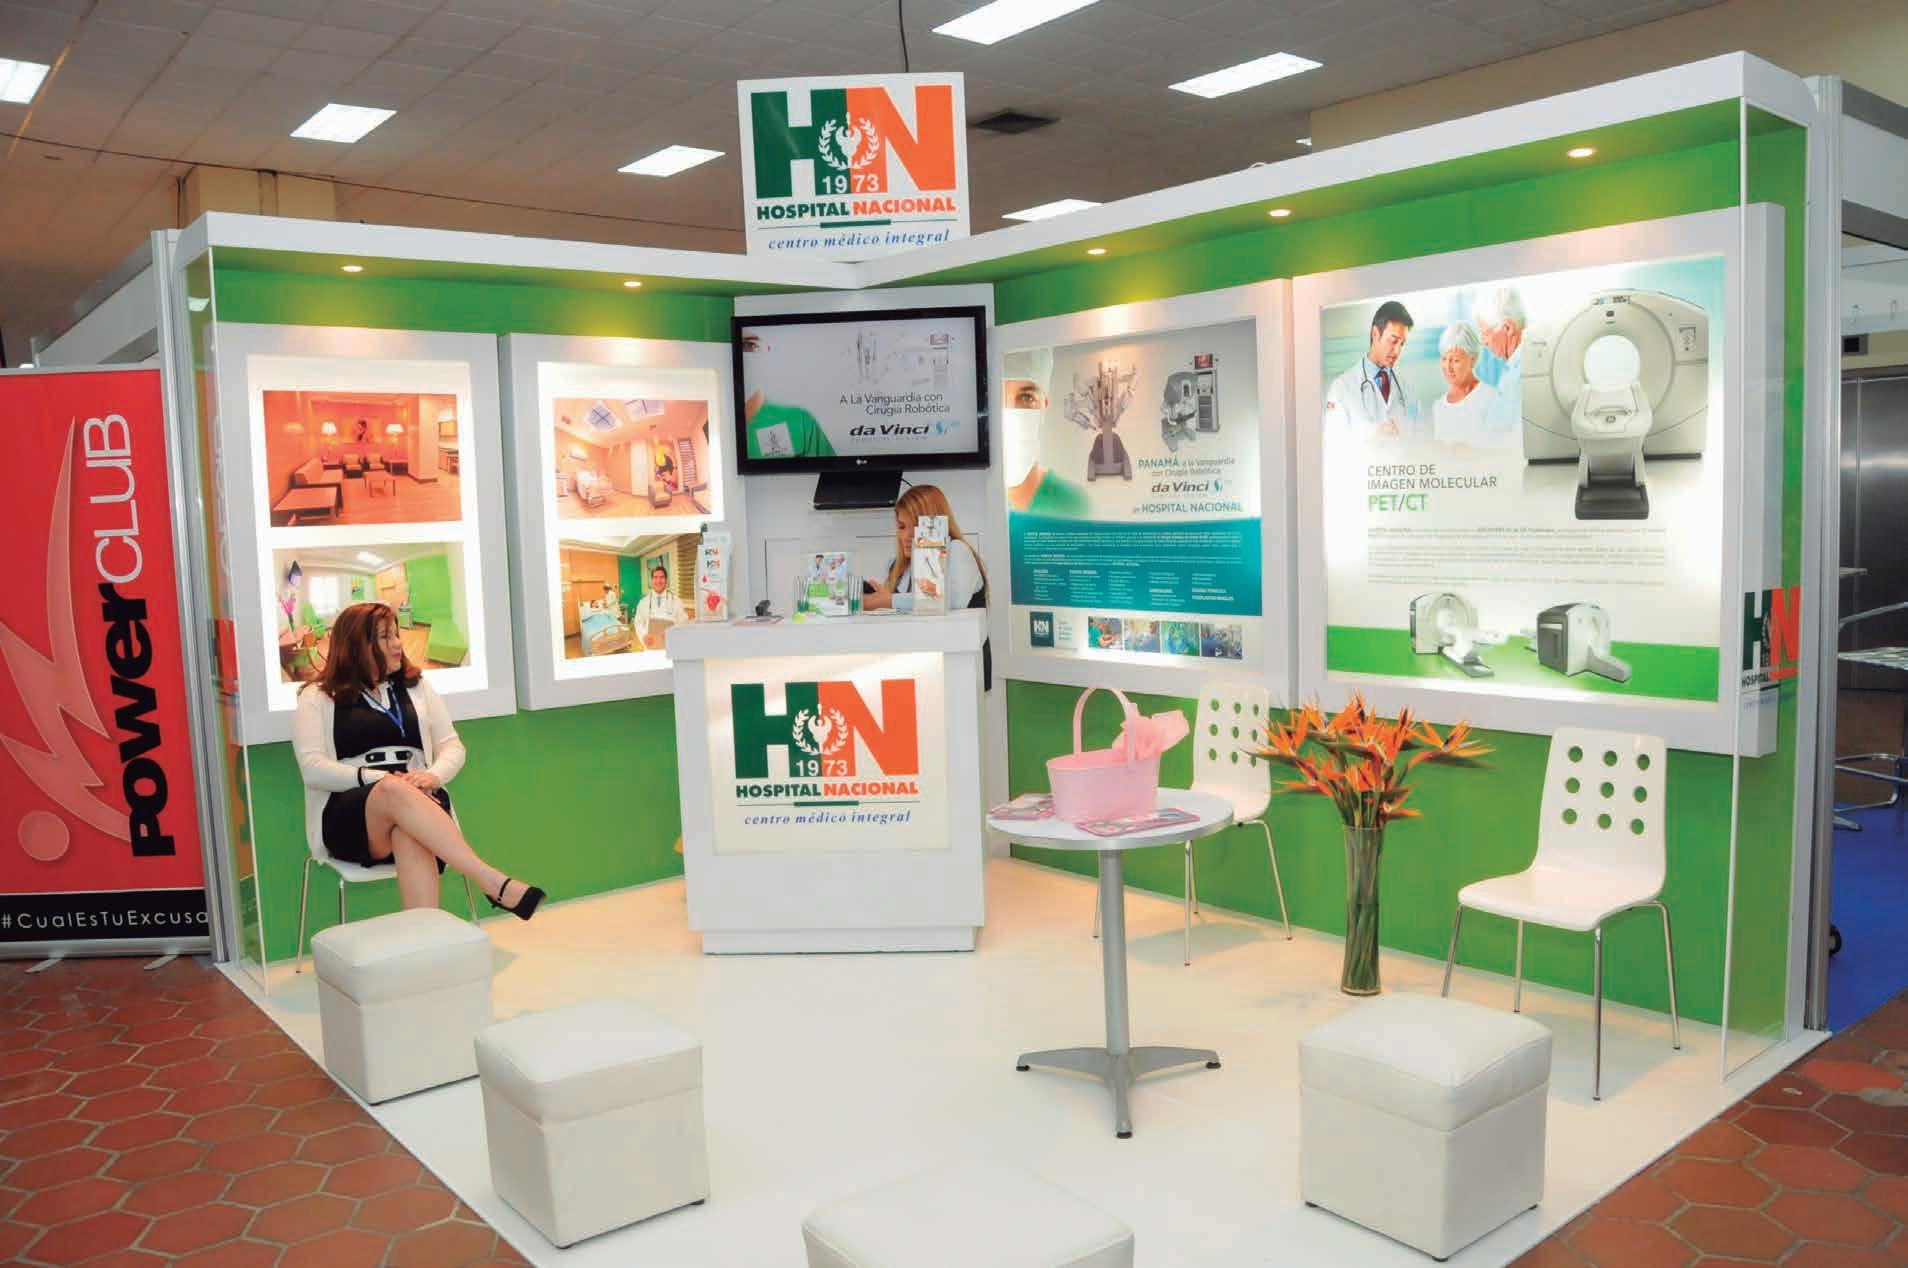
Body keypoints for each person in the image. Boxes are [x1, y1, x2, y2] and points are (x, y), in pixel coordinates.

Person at [293, 602, 543, 920]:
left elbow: (452, 747)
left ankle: (425, 934)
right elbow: (312, 768)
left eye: (396, 634)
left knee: (409, 830)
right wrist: (379, 778)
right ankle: (489, 879)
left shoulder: (418, 687)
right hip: (353, 817)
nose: (398, 643)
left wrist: (432, 776)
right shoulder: (317, 696)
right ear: (357, 645)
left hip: (418, 801)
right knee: (393, 791)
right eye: (385, 637)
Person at [862, 485, 988, 614]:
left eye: (916, 526)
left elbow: (955, 600)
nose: (907, 536)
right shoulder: (894, 567)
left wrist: (890, 601)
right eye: (902, 527)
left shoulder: (957, 550)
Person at [1324, 300, 1415, 439]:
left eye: (1402, 344)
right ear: (1375, 333)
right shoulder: (1341, 388)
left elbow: (1417, 436)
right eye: (1393, 341)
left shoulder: (1407, 390)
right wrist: (1373, 435)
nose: (1397, 351)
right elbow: (1333, 443)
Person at [1431, 322, 1501, 447]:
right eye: (1444, 359)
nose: (1448, 367)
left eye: (1455, 360)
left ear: (1472, 360)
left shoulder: (1491, 397)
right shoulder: (1439, 407)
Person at [633, 563, 687, 648]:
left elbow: (684, 623)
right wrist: (643, 636)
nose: (658, 581)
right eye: (655, 577)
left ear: (666, 580)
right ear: (651, 580)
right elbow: (638, 623)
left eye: (662, 577)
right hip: (650, 646)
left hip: (671, 645)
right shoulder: (643, 602)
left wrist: (674, 633)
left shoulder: (676, 601)